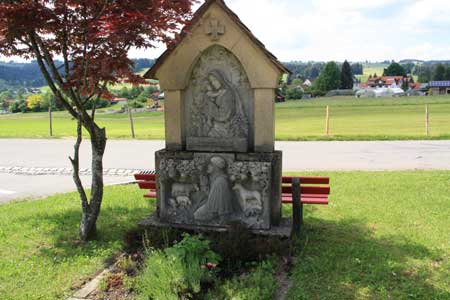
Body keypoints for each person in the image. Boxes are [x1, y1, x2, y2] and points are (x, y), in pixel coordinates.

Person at [194, 156, 236, 222]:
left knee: (197, 215)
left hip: (214, 211)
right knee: (196, 213)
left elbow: (223, 204)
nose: (208, 167)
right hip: (211, 208)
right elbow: (212, 197)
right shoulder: (215, 179)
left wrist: (222, 218)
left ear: (216, 167)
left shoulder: (220, 182)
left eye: (210, 165)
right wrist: (204, 185)